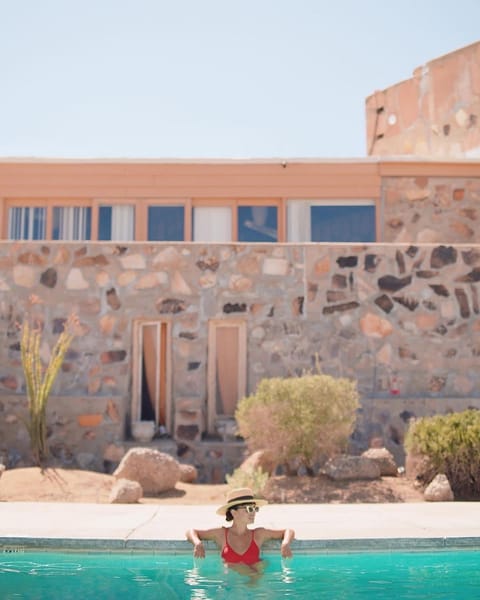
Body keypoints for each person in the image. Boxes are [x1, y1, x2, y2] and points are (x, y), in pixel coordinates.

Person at [185, 487, 295, 573]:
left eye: (255, 508)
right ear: (234, 512)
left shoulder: (259, 534)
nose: (253, 512)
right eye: (249, 509)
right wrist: (197, 543)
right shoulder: (221, 534)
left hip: (253, 588)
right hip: (230, 589)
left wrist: (285, 544)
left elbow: (289, 531)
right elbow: (191, 531)